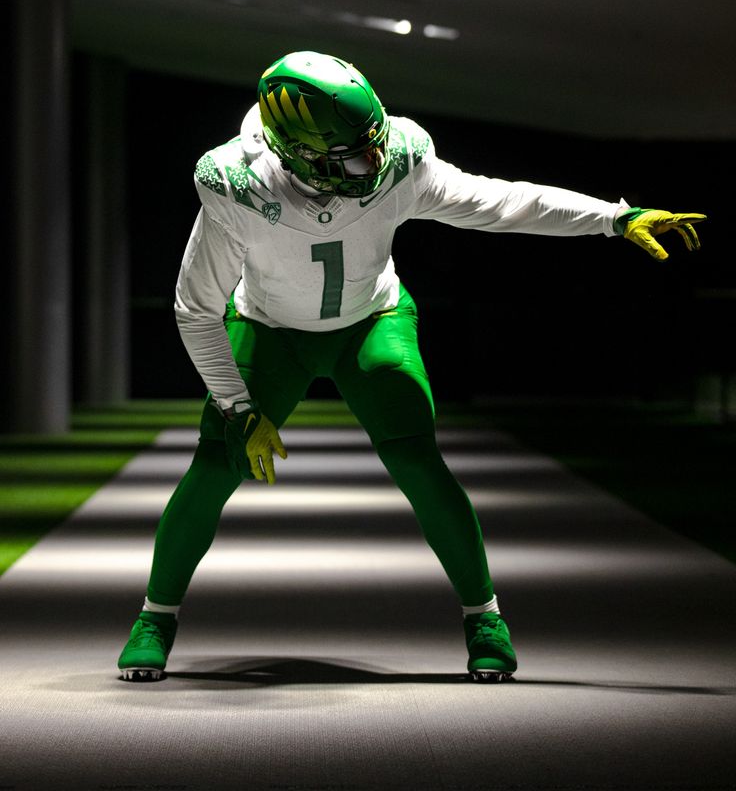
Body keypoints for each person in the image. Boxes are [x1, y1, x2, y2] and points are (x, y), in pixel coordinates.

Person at [117, 50, 706, 683]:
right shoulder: (236, 183)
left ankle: (485, 617)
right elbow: (195, 309)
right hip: (268, 329)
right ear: (298, 156)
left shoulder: (400, 157)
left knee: (418, 461)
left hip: (372, 320)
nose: (373, 162)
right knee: (215, 464)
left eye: (372, 144)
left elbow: (499, 203)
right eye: (351, 156)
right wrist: (239, 408)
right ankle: (155, 617)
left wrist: (615, 218)